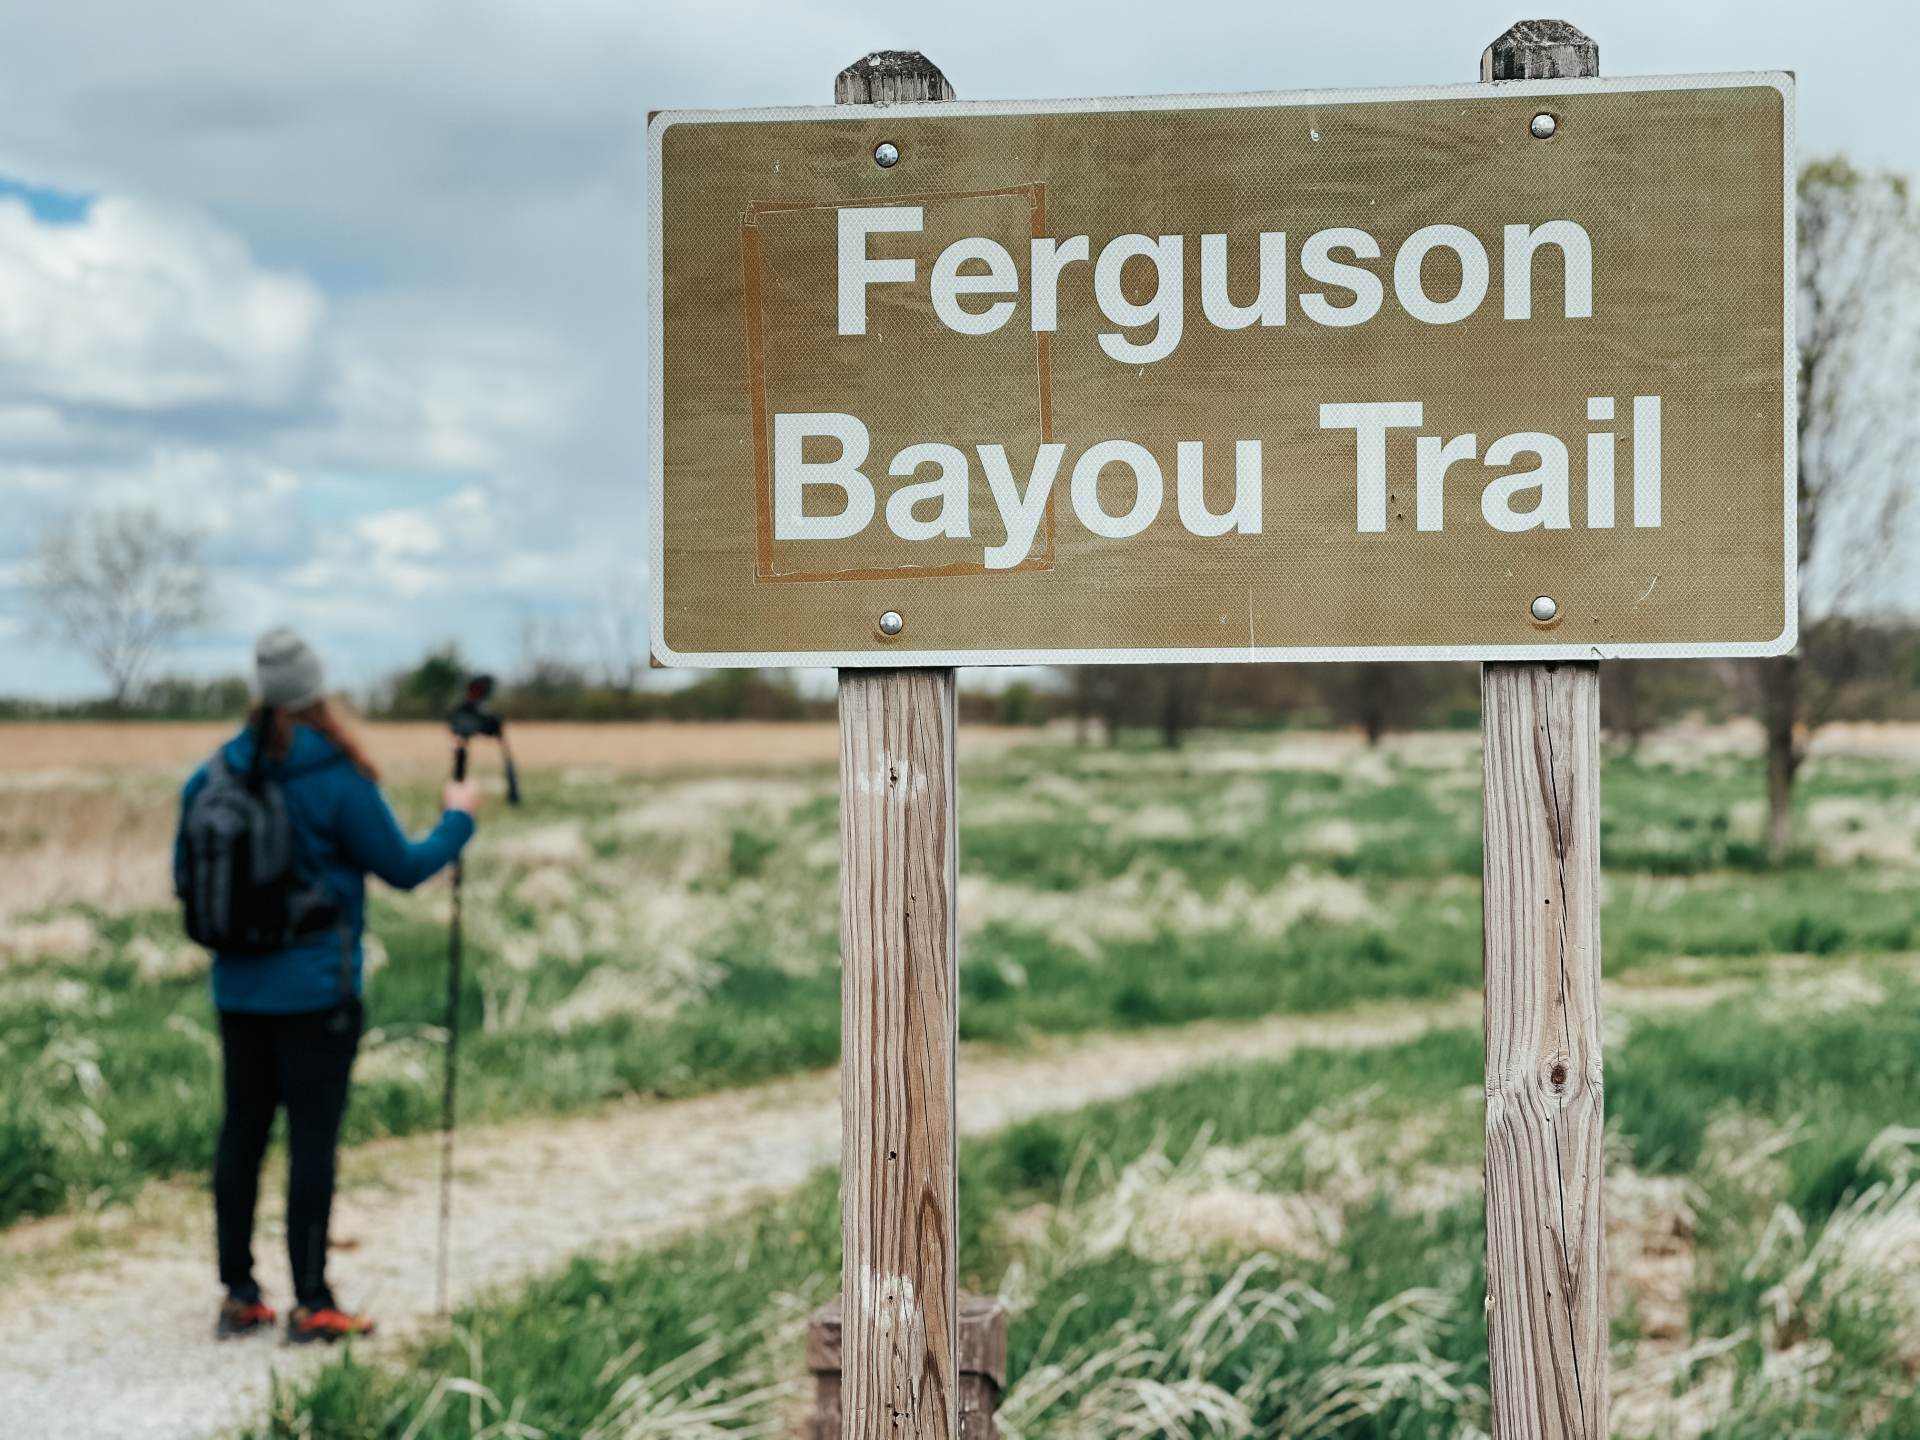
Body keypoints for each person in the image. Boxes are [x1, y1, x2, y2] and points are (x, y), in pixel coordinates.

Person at [175, 628, 478, 1343]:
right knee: (311, 1143)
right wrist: (458, 818)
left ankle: (240, 1294)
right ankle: (313, 1302)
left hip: (236, 992)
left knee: (241, 1135)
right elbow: (403, 866)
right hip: (318, 994)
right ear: (316, 692)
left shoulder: (212, 774)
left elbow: (186, 882)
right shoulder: (337, 777)